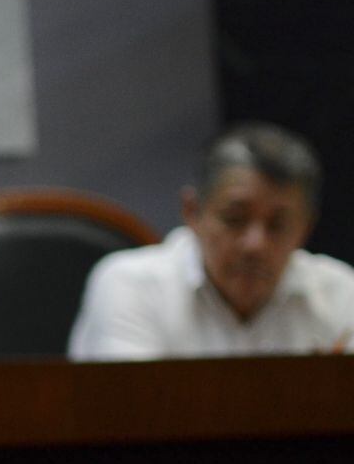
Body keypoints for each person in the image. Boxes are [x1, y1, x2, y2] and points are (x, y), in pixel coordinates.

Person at [69, 122, 354, 359]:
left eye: (277, 226)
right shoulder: (130, 285)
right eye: (235, 219)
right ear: (193, 212)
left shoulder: (341, 293)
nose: (255, 244)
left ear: (305, 229)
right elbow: (129, 406)